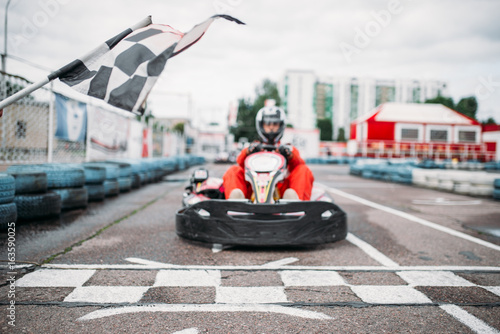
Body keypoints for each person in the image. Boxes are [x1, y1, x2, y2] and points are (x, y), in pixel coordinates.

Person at [223, 106, 314, 201]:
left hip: (281, 190)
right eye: (267, 124)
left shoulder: (287, 148)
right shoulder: (253, 147)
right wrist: (248, 153)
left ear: (281, 126)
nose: (271, 127)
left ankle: (296, 204)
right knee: (233, 170)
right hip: (253, 189)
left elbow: (298, 164)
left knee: (303, 170)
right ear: (261, 125)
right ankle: (236, 203)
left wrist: (289, 155)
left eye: (275, 124)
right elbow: (240, 162)